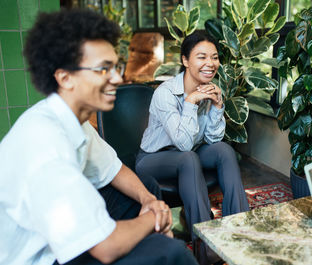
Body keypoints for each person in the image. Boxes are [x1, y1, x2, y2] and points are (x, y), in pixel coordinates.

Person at [0, 8, 198, 265]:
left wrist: (150, 201)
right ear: (65, 77)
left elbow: (113, 169)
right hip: (43, 258)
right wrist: (154, 217)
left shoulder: (72, 121)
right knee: (171, 253)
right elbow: (105, 248)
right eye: (104, 69)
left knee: (146, 186)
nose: (117, 78)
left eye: (115, 66)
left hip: (56, 234)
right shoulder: (45, 146)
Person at [135, 32, 250, 264]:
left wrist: (217, 107)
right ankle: (204, 244)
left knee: (225, 151)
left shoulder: (209, 89)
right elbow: (183, 143)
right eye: (201, 57)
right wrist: (190, 102)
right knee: (188, 157)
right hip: (154, 159)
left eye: (215, 57)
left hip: (189, 152)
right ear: (186, 60)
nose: (210, 63)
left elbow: (213, 138)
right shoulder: (165, 93)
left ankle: (238, 229)